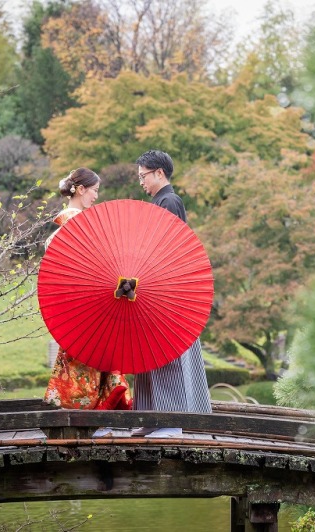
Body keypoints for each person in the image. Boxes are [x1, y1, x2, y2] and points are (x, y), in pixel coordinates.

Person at [134, 150, 212, 437]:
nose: (141, 182)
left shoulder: (169, 201)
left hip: (166, 290)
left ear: (159, 173)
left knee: (167, 355)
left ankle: (170, 422)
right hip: (155, 288)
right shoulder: (159, 202)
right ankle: (152, 418)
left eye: (143, 176)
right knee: (149, 354)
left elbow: (166, 248)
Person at [43, 168, 133, 411]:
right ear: (81, 190)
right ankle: (94, 413)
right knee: (94, 359)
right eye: (94, 190)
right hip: (91, 303)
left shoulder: (60, 231)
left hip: (73, 306)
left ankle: (83, 412)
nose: (96, 196)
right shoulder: (82, 226)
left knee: (83, 359)